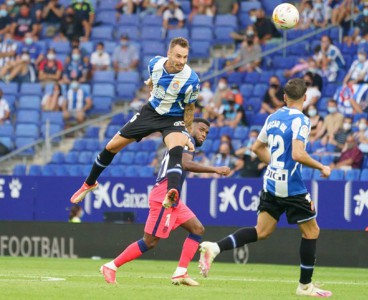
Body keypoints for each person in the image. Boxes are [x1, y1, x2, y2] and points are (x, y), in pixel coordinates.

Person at [198, 78, 332, 297]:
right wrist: (321, 166)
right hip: (291, 186)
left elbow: (256, 147)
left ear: (284, 97)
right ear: (305, 98)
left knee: (262, 231)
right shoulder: (302, 121)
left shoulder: (272, 117)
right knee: (312, 231)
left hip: (270, 182)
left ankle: (215, 247)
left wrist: (275, 165)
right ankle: (305, 286)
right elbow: (298, 154)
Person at [70, 38, 199, 211]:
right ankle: (89, 183)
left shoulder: (191, 79)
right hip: (150, 112)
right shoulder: (154, 64)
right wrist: (151, 85)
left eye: (185, 57)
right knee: (111, 147)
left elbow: (190, 108)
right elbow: (153, 80)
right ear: (168, 54)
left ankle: (171, 192)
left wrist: (187, 133)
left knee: (175, 150)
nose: (182, 61)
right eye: (178, 56)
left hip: (173, 118)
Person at [100, 119, 231, 285]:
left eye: (207, 132)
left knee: (197, 229)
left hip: (173, 195)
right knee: (150, 242)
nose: (204, 134)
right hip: (165, 194)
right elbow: (185, 163)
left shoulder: (182, 141)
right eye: (202, 129)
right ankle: (111, 266)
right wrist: (215, 169)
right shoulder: (185, 139)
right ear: (191, 127)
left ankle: (181, 272)